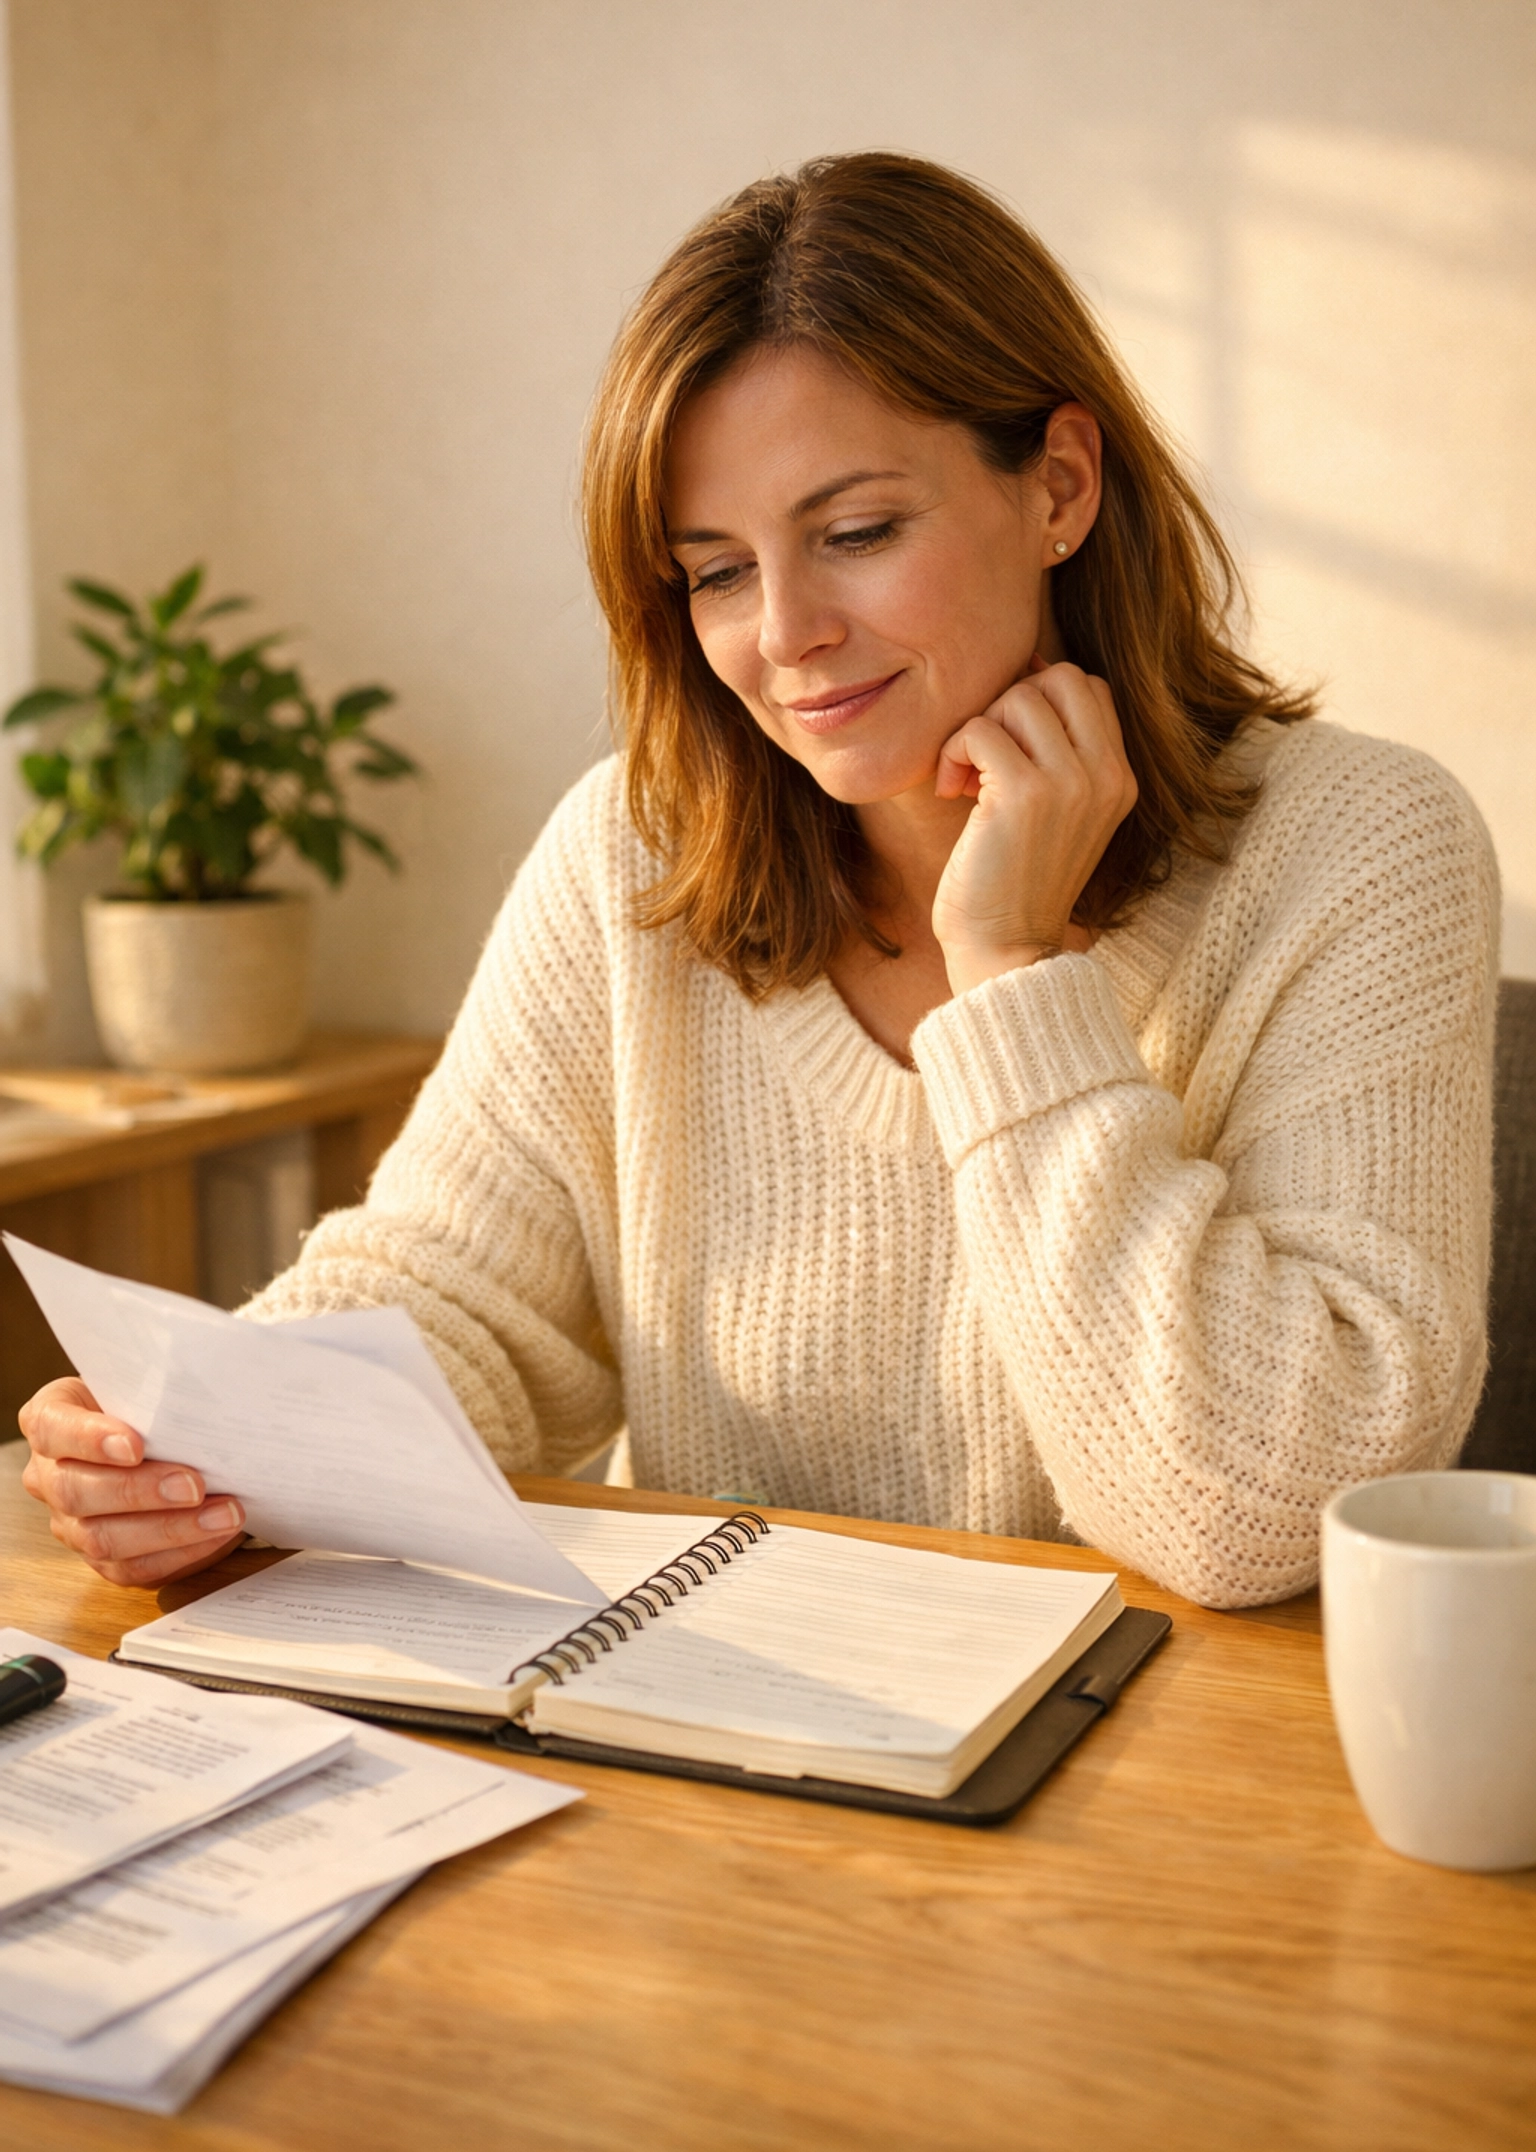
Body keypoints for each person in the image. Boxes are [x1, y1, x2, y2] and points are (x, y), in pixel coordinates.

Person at [19, 153, 1498, 1609]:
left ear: (1058, 484)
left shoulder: (1360, 848)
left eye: (855, 534)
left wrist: (1013, 971)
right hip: (719, 1783)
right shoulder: (634, 853)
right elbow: (459, 1289)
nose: (785, 634)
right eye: (716, 571)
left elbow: (1272, 1514)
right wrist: (204, 1441)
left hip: (1176, 1806)